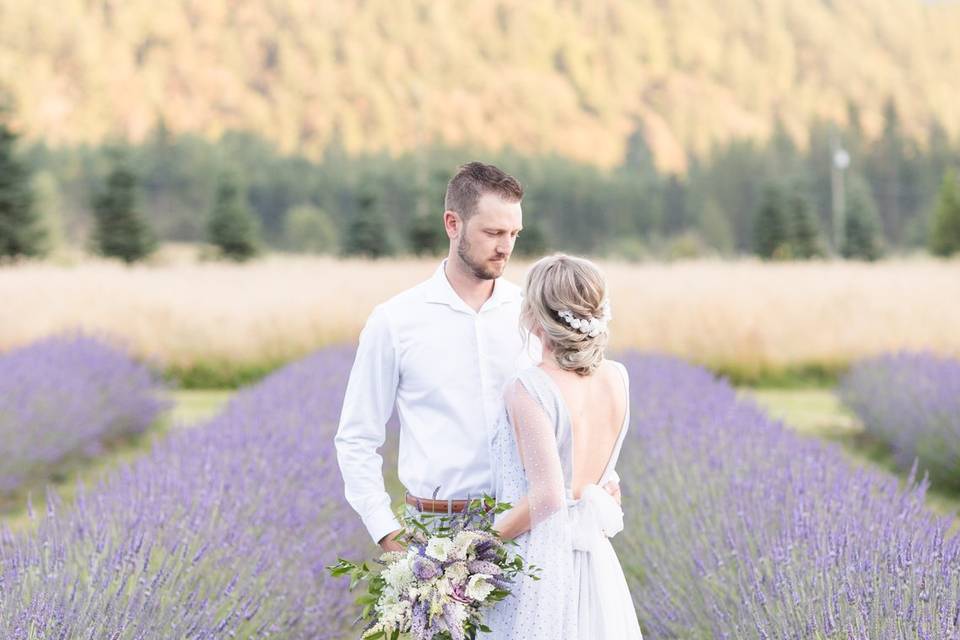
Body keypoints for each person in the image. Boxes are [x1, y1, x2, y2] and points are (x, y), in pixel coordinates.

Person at [334, 162, 620, 552]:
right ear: (452, 224)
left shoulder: (534, 314)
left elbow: (574, 405)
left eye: (514, 234)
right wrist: (386, 531)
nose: (506, 247)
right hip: (432, 530)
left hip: (527, 529)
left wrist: (603, 477)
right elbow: (356, 437)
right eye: (493, 233)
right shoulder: (396, 321)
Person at [485, 254, 644, 639]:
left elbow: (549, 496)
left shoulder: (530, 388)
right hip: (596, 561)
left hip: (541, 562)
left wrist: (475, 548)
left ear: (535, 317)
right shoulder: (617, 378)